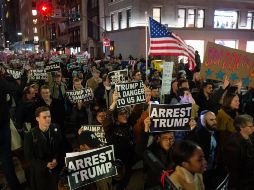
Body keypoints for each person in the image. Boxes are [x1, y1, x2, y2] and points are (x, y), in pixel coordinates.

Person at [24, 106, 65, 190]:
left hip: (56, 165)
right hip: (41, 170)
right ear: (37, 119)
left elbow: (61, 147)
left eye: (49, 116)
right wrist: (45, 164)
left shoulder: (56, 128)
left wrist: (56, 159)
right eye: (44, 117)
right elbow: (29, 157)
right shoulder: (30, 135)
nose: (48, 119)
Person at [0, 68, 23, 190]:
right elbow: (16, 89)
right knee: (6, 158)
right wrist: (9, 77)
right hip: (2, 125)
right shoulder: (2, 81)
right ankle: (15, 187)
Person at [223, 114, 254, 189]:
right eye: (250, 126)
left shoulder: (250, 136)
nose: (253, 127)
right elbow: (234, 168)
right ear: (241, 127)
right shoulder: (233, 143)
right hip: (242, 182)